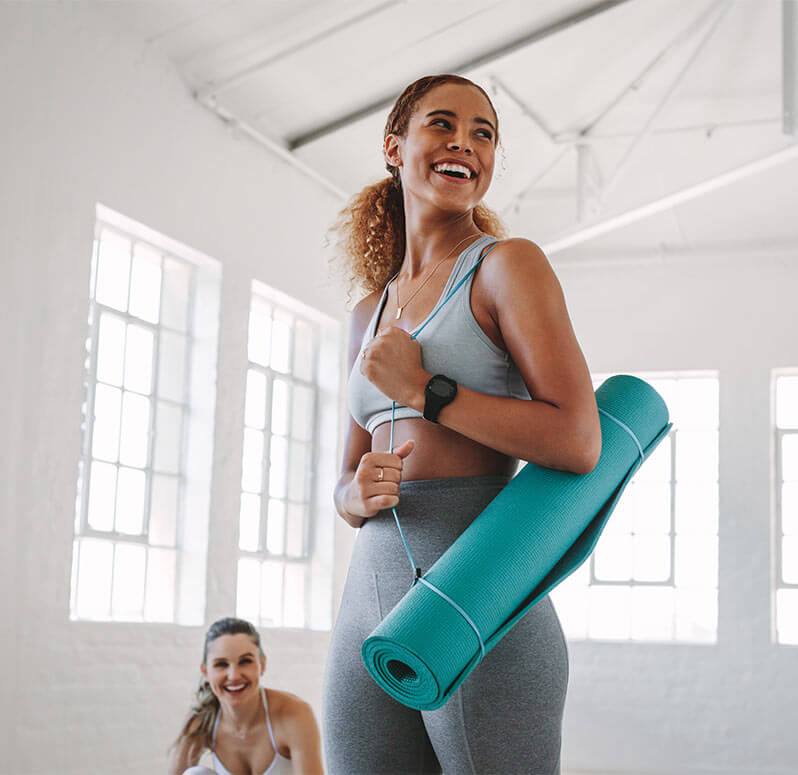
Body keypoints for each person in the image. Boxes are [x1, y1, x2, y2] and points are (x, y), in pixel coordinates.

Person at [322, 74, 601, 774]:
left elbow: (578, 439)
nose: (465, 143)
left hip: (478, 592)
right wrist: (354, 493)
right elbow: (345, 481)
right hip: (369, 594)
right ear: (394, 147)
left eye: (484, 134)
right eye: (442, 124)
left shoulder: (506, 267)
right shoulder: (366, 313)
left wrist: (423, 389)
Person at [169, 617, 324, 775]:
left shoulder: (294, 714)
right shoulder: (200, 719)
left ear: (262, 665)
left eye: (245, 661)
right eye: (221, 664)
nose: (234, 676)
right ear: (205, 672)